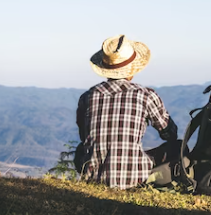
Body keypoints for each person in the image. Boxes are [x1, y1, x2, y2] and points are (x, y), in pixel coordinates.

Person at [75, 34, 178, 189]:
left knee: (80, 149)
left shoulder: (87, 96)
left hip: (94, 177)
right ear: (132, 70)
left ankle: (93, 176)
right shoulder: (146, 95)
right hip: (135, 177)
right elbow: (169, 134)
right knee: (177, 146)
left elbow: (84, 137)